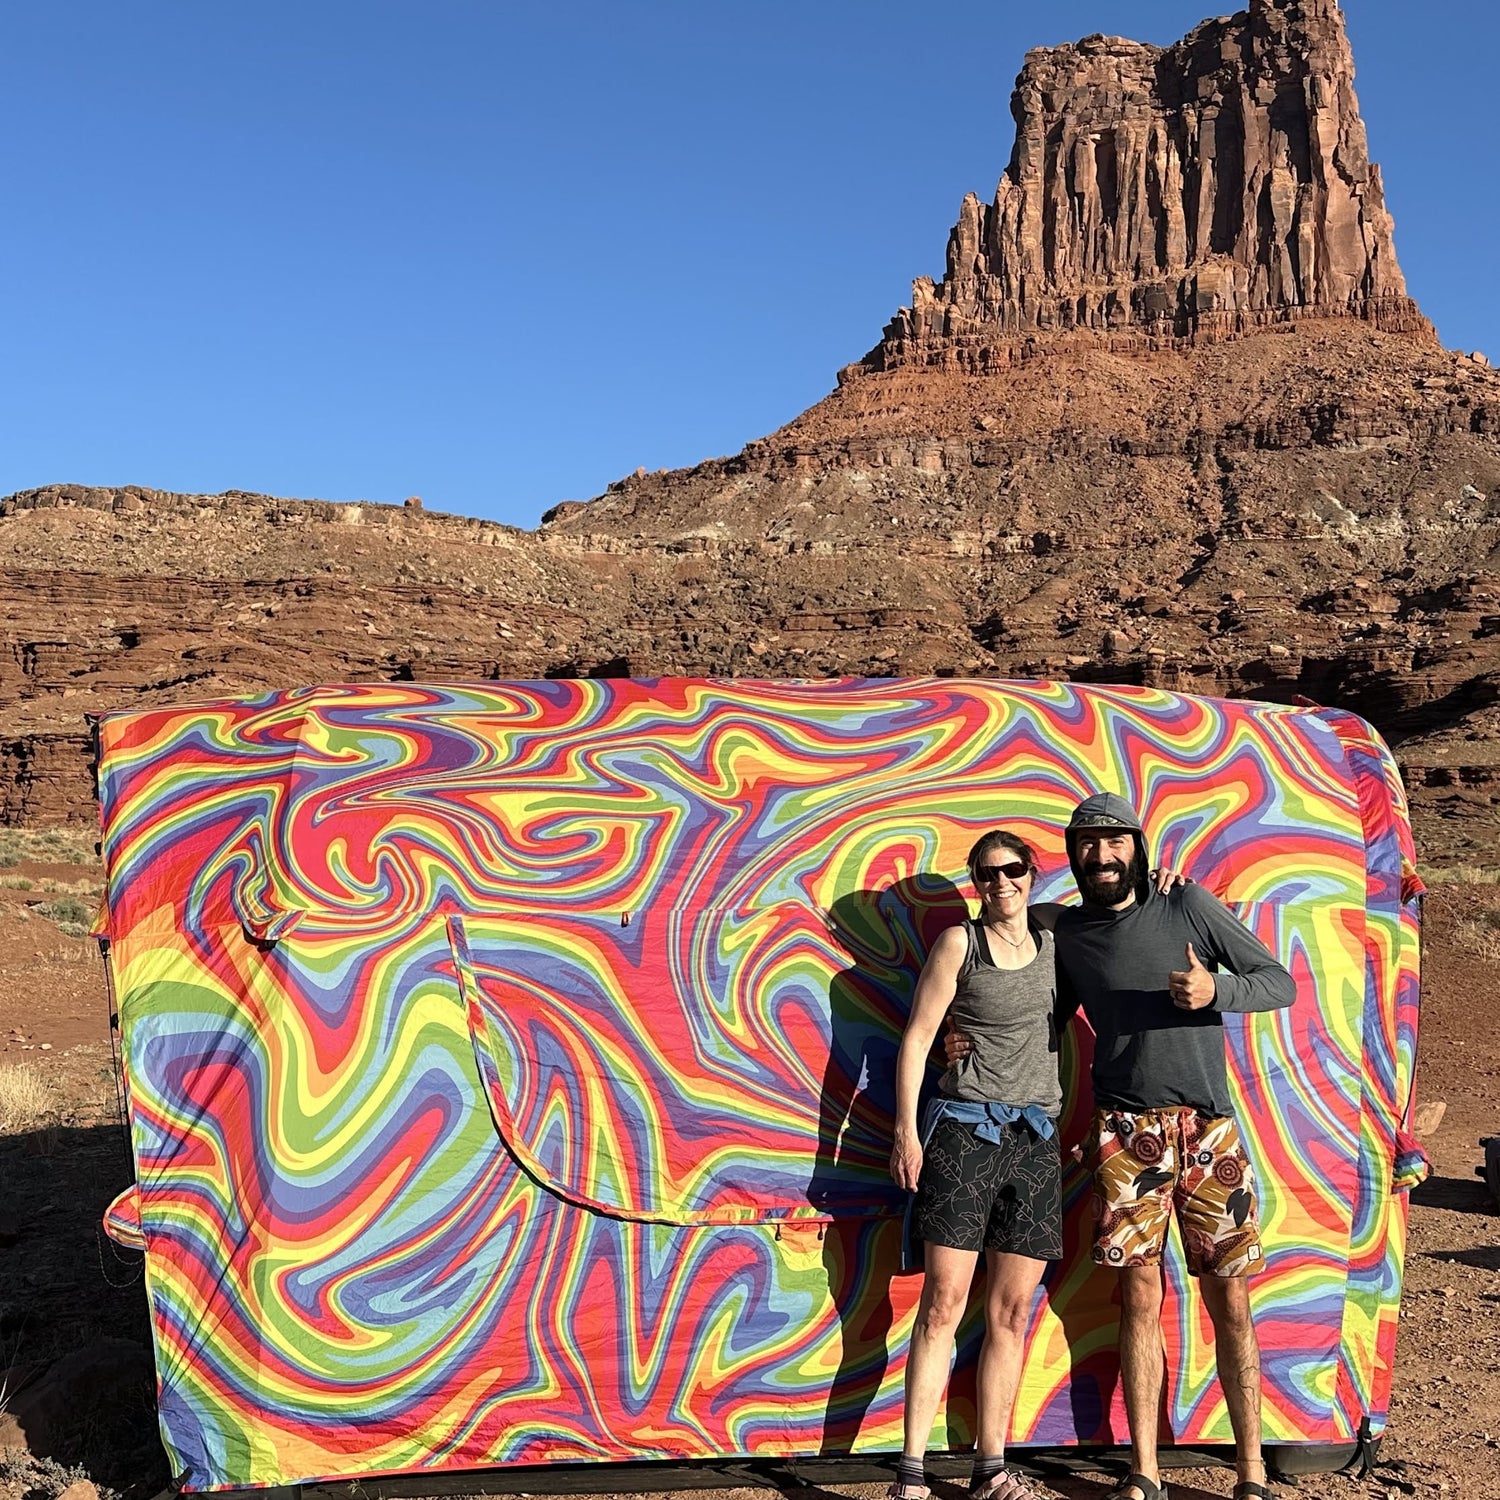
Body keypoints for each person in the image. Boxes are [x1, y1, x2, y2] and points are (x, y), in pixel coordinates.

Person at [952, 793, 1295, 1500]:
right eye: (1088, 844)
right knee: (1138, 1298)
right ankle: (1144, 1471)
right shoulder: (1065, 931)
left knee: (1229, 1298)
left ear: (1138, 847)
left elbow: (1279, 983)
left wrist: (1216, 992)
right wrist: (958, 1038)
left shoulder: (1186, 904)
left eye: (1116, 843)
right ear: (1072, 855)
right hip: (1126, 1133)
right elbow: (1017, 993)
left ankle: (1251, 1471)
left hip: (1209, 1130)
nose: (1103, 856)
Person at [888, 831, 1184, 1500]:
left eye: (1013, 869)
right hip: (963, 1136)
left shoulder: (1057, 941)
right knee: (943, 1302)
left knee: (1013, 1310)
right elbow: (918, 1038)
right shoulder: (959, 944)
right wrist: (906, 1132)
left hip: (1035, 1142)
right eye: (987, 873)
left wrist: (1160, 885)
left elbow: (1118, 913)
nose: (1001, 883)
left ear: (1031, 874)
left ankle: (991, 1467)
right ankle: (910, 1473)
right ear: (976, 880)